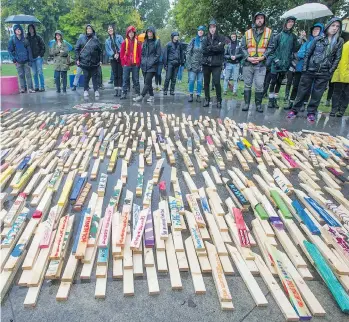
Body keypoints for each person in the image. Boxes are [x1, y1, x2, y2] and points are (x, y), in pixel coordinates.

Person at [287, 17, 344, 123]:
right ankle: (294, 110)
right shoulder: (318, 38)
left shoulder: (339, 41)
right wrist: (305, 68)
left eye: (337, 26)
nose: (335, 28)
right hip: (310, 69)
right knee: (302, 91)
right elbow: (308, 53)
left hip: (324, 72)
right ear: (328, 26)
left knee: (317, 94)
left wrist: (330, 71)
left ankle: (311, 112)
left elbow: (337, 58)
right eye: (333, 25)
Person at [284, 23, 324, 111]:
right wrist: (308, 54)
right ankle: (291, 102)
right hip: (300, 68)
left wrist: (308, 55)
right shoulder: (307, 43)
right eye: (314, 30)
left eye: (317, 30)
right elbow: (300, 54)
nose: (315, 31)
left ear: (321, 31)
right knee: (295, 86)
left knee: (307, 88)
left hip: (311, 69)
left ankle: (303, 104)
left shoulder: (322, 43)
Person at [241, 12, 272, 112]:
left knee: (259, 85)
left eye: (261, 18)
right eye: (258, 18)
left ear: (264, 20)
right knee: (247, 84)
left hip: (261, 64)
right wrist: (247, 57)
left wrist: (263, 57)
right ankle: (246, 104)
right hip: (248, 63)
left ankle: (258, 105)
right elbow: (242, 47)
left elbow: (271, 47)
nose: (259, 20)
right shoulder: (247, 32)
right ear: (255, 20)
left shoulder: (269, 32)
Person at [267, 16, 299, 109]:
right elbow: (272, 50)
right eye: (289, 21)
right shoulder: (278, 36)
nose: (291, 23)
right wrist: (276, 60)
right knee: (273, 81)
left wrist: (301, 39)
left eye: (292, 22)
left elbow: (295, 49)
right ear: (285, 23)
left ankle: (275, 100)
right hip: (276, 63)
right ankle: (270, 100)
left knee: (279, 82)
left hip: (285, 64)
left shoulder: (293, 36)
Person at [133, 26, 161, 102]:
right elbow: (142, 53)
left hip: (152, 66)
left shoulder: (157, 42)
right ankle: (151, 96)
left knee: (147, 81)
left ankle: (141, 96)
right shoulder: (144, 41)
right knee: (147, 82)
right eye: (148, 32)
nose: (149, 33)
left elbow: (158, 54)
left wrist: (152, 62)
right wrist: (142, 61)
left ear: (153, 33)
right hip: (144, 65)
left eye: (151, 31)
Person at [202, 19, 225, 108]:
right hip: (206, 64)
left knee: (216, 82)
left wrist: (210, 48)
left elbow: (221, 49)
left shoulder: (221, 37)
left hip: (216, 64)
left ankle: (219, 100)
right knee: (206, 83)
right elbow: (204, 50)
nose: (212, 29)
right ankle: (207, 99)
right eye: (210, 27)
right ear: (209, 28)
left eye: (214, 27)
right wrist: (215, 48)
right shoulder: (205, 38)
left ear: (216, 28)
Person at [75, 24, 102, 98]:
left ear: (92, 30)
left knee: (94, 77)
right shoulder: (81, 38)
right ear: (86, 30)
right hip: (84, 61)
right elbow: (76, 49)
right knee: (86, 76)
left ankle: (96, 90)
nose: (89, 30)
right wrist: (77, 59)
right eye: (87, 29)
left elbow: (100, 50)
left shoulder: (95, 39)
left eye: (90, 28)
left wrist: (100, 60)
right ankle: (85, 90)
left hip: (94, 62)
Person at [8, 24, 35, 93]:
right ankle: (23, 88)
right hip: (18, 61)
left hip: (26, 61)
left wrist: (30, 60)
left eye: (19, 29)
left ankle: (30, 88)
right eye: (17, 29)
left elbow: (29, 51)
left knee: (28, 75)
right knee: (21, 75)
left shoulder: (25, 39)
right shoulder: (12, 40)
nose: (18, 30)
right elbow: (10, 50)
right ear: (14, 31)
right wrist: (14, 59)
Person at [284, 30, 307, 101]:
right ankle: (286, 95)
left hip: (299, 66)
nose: (302, 35)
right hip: (292, 64)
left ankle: (295, 97)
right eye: (301, 34)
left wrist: (304, 38)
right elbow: (293, 50)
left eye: (303, 34)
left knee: (296, 84)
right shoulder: (296, 41)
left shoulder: (306, 43)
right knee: (289, 81)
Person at [120, 25, 142, 99]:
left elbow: (139, 54)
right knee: (125, 79)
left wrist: (138, 63)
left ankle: (138, 93)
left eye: (132, 32)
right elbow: (122, 54)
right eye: (130, 32)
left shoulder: (138, 43)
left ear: (134, 33)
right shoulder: (124, 43)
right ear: (127, 33)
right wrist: (123, 63)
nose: (131, 34)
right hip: (127, 64)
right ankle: (124, 93)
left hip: (135, 64)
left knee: (136, 79)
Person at [330, 32, 349, 117]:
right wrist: (343, 75)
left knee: (342, 93)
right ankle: (337, 110)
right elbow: (343, 61)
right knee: (340, 92)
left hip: (342, 73)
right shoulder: (347, 45)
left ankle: (338, 110)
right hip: (343, 73)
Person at [186, 25, 205, 102]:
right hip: (193, 64)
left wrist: (204, 64)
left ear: (203, 32)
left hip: (201, 65)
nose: (200, 31)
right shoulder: (193, 41)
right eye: (199, 30)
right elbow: (188, 53)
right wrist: (189, 64)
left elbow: (206, 53)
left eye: (202, 30)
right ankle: (190, 94)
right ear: (197, 31)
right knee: (192, 80)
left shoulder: (205, 41)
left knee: (200, 81)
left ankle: (198, 95)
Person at [105, 25, 124, 96]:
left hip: (120, 57)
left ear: (113, 29)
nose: (110, 30)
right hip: (113, 59)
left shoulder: (119, 37)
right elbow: (107, 50)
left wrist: (118, 53)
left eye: (111, 28)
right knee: (115, 74)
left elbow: (123, 46)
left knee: (120, 74)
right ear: (107, 31)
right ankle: (116, 90)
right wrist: (113, 55)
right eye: (109, 29)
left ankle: (121, 89)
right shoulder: (107, 41)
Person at [27, 24, 45, 92]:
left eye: (32, 28)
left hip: (38, 57)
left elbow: (43, 47)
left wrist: (40, 55)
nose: (31, 29)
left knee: (40, 72)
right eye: (29, 28)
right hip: (31, 58)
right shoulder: (27, 38)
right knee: (34, 73)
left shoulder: (38, 37)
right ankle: (36, 87)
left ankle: (42, 86)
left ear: (34, 29)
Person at [223, 32, 242, 96]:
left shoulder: (239, 45)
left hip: (236, 64)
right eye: (232, 37)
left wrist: (236, 57)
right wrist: (230, 57)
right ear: (230, 38)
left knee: (235, 79)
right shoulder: (228, 45)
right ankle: (225, 90)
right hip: (229, 63)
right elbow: (225, 55)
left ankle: (234, 92)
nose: (233, 38)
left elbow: (242, 54)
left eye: (234, 36)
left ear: (236, 37)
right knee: (226, 78)